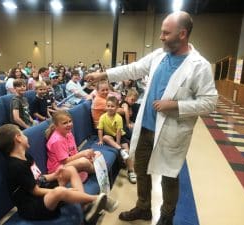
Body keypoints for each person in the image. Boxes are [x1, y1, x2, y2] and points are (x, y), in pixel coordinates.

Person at [86, 11, 218, 225]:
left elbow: (210, 102)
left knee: (169, 176)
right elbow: (133, 68)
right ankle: (143, 207)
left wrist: (175, 105)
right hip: (146, 126)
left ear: (182, 34)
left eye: (166, 33)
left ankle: (166, 217)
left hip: (171, 131)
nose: (161, 37)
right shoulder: (159, 55)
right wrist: (104, 75)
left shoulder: (198, 66)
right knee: (141, 169)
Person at [0, 123, 108, 222]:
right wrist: (65, 190)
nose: (26, 136)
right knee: (59, 191)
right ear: (18, 138)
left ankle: (84, 206)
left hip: (41, 193)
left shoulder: (26, 156)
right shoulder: (15, 166)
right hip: (31, 207)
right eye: (23, 134)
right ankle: (94, 199)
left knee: (69, 170)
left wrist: (55, 175)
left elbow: (38, 178)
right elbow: (35, 191)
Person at [97, 96, 136, 184]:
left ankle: (131, 171)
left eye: (112, 106)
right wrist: (100, 140)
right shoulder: (103, 117)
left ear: (117, 108)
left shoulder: (118, 117)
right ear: (106, 106)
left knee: (127, 152)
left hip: (120, 136)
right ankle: (119, 149)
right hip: (110, 136)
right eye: (108, 106)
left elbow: (119, 131)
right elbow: (100, 129)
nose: (110, 108)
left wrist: (118, 142)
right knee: (105, 137)